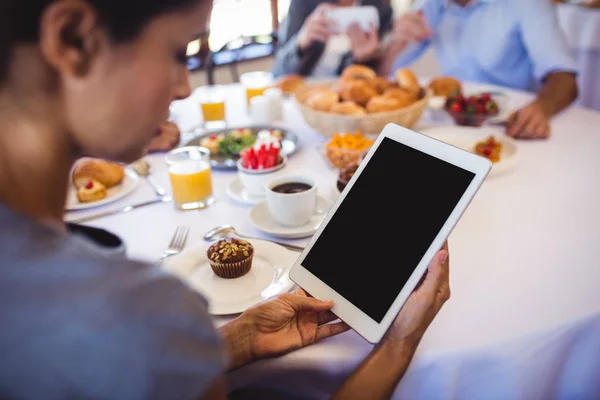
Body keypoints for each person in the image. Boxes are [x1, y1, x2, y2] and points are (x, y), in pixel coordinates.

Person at [0, 1, 450, 399]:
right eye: (179, 52)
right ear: (74, 38)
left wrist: (236, 341)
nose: (185, 87)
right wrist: (399, 344)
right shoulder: (135, 311)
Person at [387, 0, 579, 140]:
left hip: (513, 125)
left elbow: (565, 78)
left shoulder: (527, 4)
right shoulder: (431, 5)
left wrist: (542, 108)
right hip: (454, 123)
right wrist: (396, 42)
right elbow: (387, 71)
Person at [272, 0, 395, 78]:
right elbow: (280, 68)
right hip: (299, 93)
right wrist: (301, 41)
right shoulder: (304, 3)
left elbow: (372, 78)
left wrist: (359, 59)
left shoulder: (381, 11)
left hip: (342, 97)